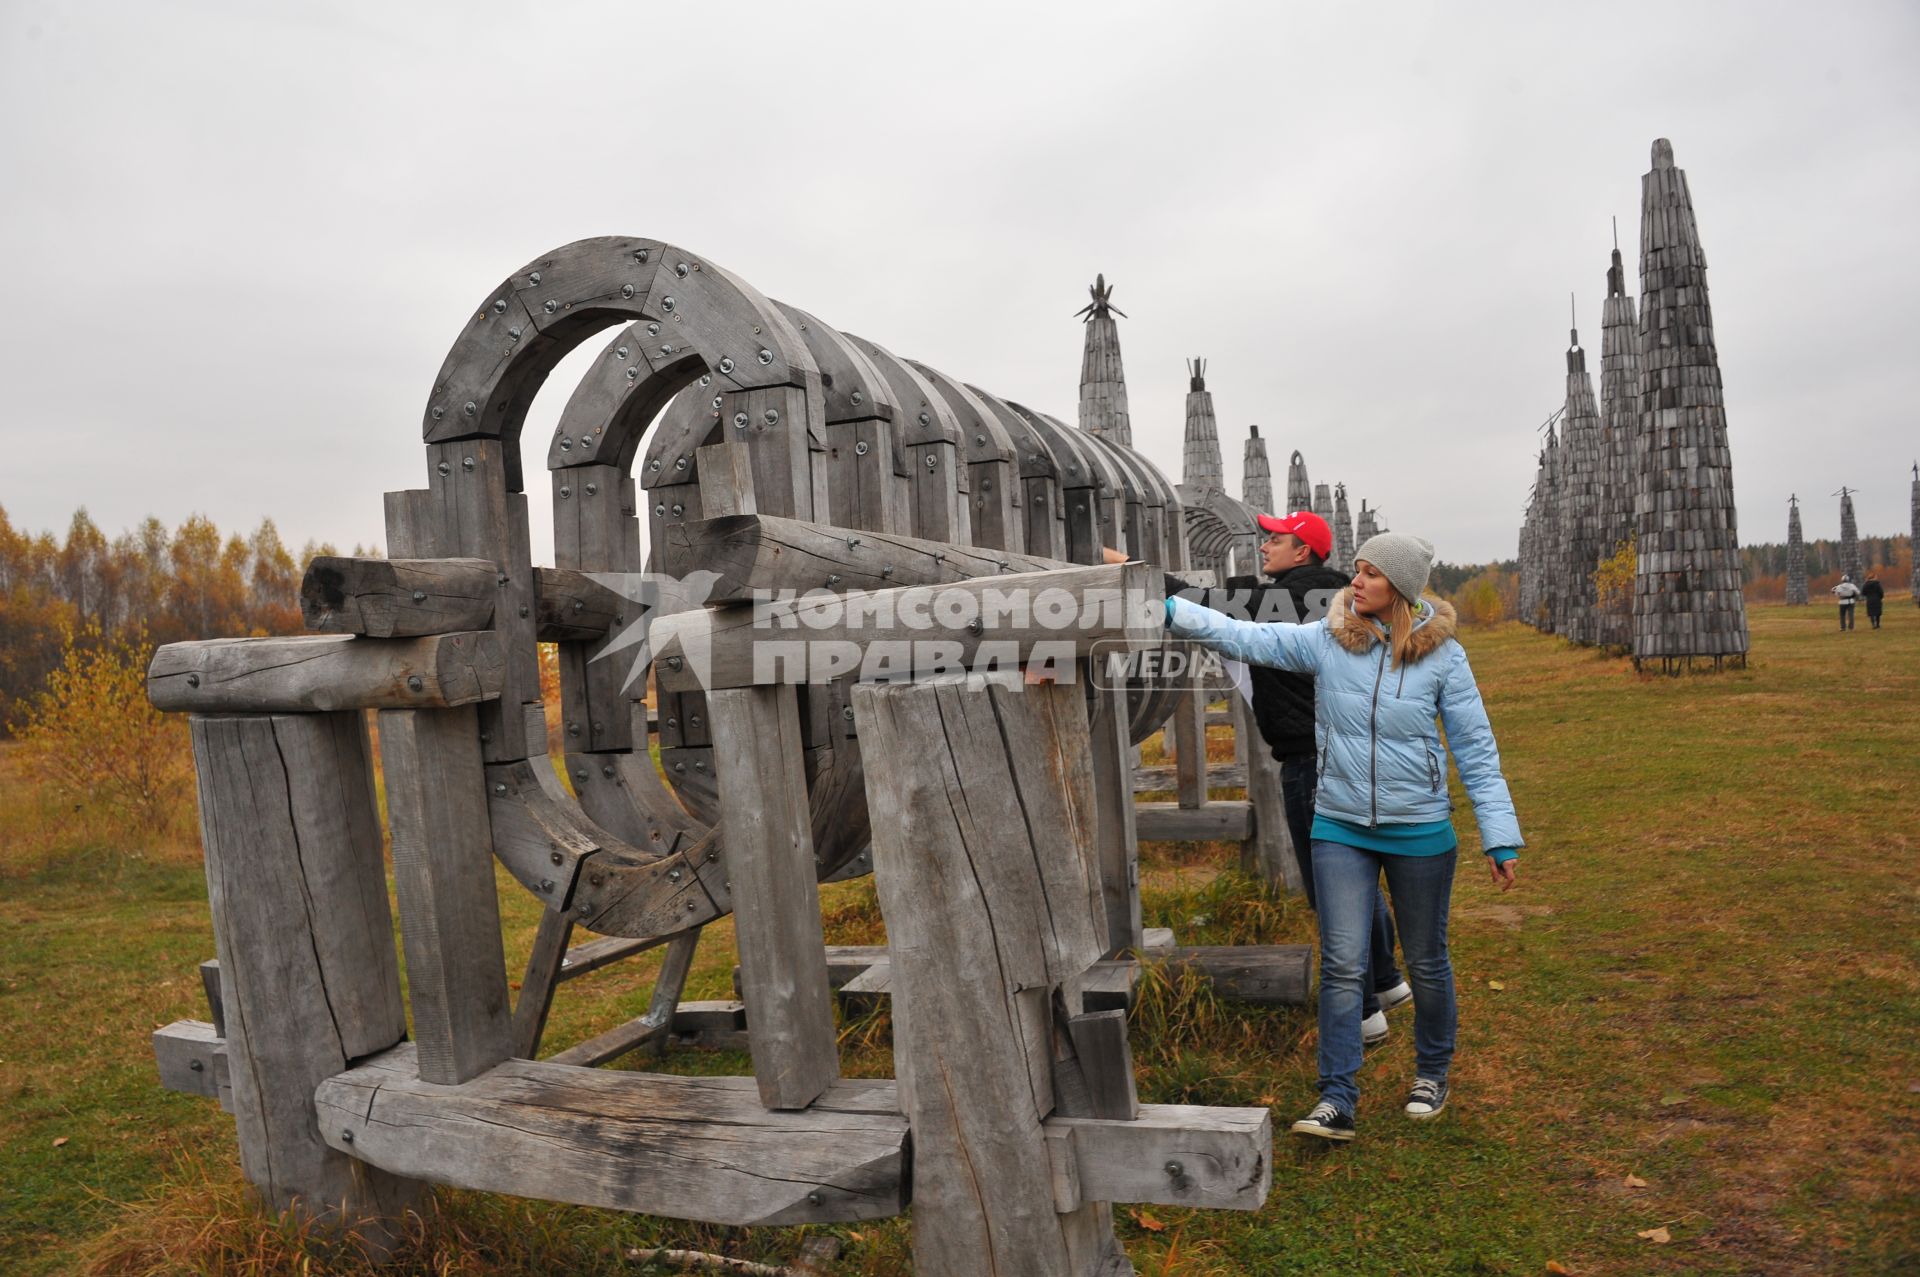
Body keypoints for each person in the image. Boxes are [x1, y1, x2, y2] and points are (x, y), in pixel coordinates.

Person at [1164, 532, 1523, 1142]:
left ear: (1401, 589)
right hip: (1340, 826)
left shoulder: (1445, 658)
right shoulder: (1329, 641)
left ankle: (1431, 1073)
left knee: (1429, 962)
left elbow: (1476, 750)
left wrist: (1499, 834)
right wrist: (1166, 603)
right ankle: (1337, 1097)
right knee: (1342, 964)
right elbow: (1245, 636)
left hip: (1419, 831)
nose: (1355, 581)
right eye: (1356, 570)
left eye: (1370, 573)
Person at [1120, 513, 1410, 1044]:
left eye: (1275, 540)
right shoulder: (1340, 594)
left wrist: (1134, 574)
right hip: (1347, 754)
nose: (1265, 547)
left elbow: (1203, 607)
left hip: (1311, 760)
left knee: (1332, 888)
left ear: (1303, 552)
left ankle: (1362, 1012)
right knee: (1358, 873)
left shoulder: (1290, 598)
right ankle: (1388, 981)